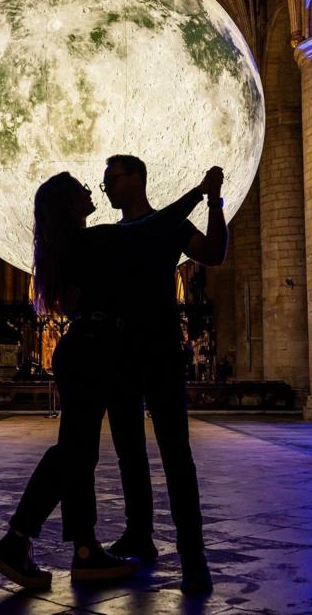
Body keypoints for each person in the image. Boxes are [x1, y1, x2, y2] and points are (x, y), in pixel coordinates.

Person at [0, 168, 221, 590]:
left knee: (78, 454)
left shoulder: (74, 244)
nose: (95, 189)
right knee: (75, 453)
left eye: (105, 180)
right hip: (92, 353)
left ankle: (81, 549)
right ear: (69, 204)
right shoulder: (93, 240)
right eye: (84, 188)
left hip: (92, 352)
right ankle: (24, 541)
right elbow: (148, 229)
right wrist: (198, 193)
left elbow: (155, 235)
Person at [100, 154, 227, 596]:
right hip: (120, 354)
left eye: (112, 179)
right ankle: (139, 534)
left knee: (176, 453)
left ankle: (193, 555)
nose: (106, 188)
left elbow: (213, 253)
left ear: (136, 179)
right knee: (129, 452)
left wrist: (214, 204)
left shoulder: (169, 226)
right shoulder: (119, 234)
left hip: (160, 351)